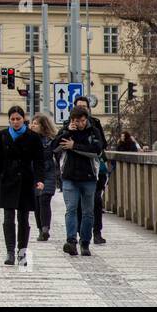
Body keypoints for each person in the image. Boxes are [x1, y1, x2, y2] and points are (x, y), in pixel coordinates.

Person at [0, 105, 45, 266]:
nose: (15, 122)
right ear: (9, 120)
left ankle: (22, 253)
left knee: (23, 219)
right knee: (8, 218)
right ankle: (10, 252)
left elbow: (39, 161)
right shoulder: (3, 135)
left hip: (25, 180)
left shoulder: (32, 137)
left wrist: (40, 179)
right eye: (13, 119)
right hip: (7, 180)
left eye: (18, 119)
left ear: (24, 120)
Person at [52, 104, 105, 256]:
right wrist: (67, 132)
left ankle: (85, 242)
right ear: (72, 120)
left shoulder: (93, 131)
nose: (80, 124)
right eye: (77, 121)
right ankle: (71, 241)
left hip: (88, 177)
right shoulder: (67, 131)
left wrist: (74, 146)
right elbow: (55, 148)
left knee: (88, 212)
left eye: (82, 120)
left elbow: (96, 151)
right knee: (71, 209)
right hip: (70, 177)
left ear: (86, 119)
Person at [76, 97, 109, 245]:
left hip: (95, 169)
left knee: (95, 201)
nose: (82, 110)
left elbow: (102, 144)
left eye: (84, 107)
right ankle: (81, 231)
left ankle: (97, 232)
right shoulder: (69, 125)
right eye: (79, 107)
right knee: (77, 204)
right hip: (76, 171)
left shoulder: (95, 124)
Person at [29, 114, 60, 241]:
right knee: (36, 203)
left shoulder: (51, 140)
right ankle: (41, 229)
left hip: (48, 173)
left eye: (36, 123)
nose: (33, 125)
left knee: (44, 199)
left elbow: (58, 156)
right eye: (32, 123)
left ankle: (45, 228)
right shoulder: (28, 139)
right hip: (34, 174)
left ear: (43, 126)